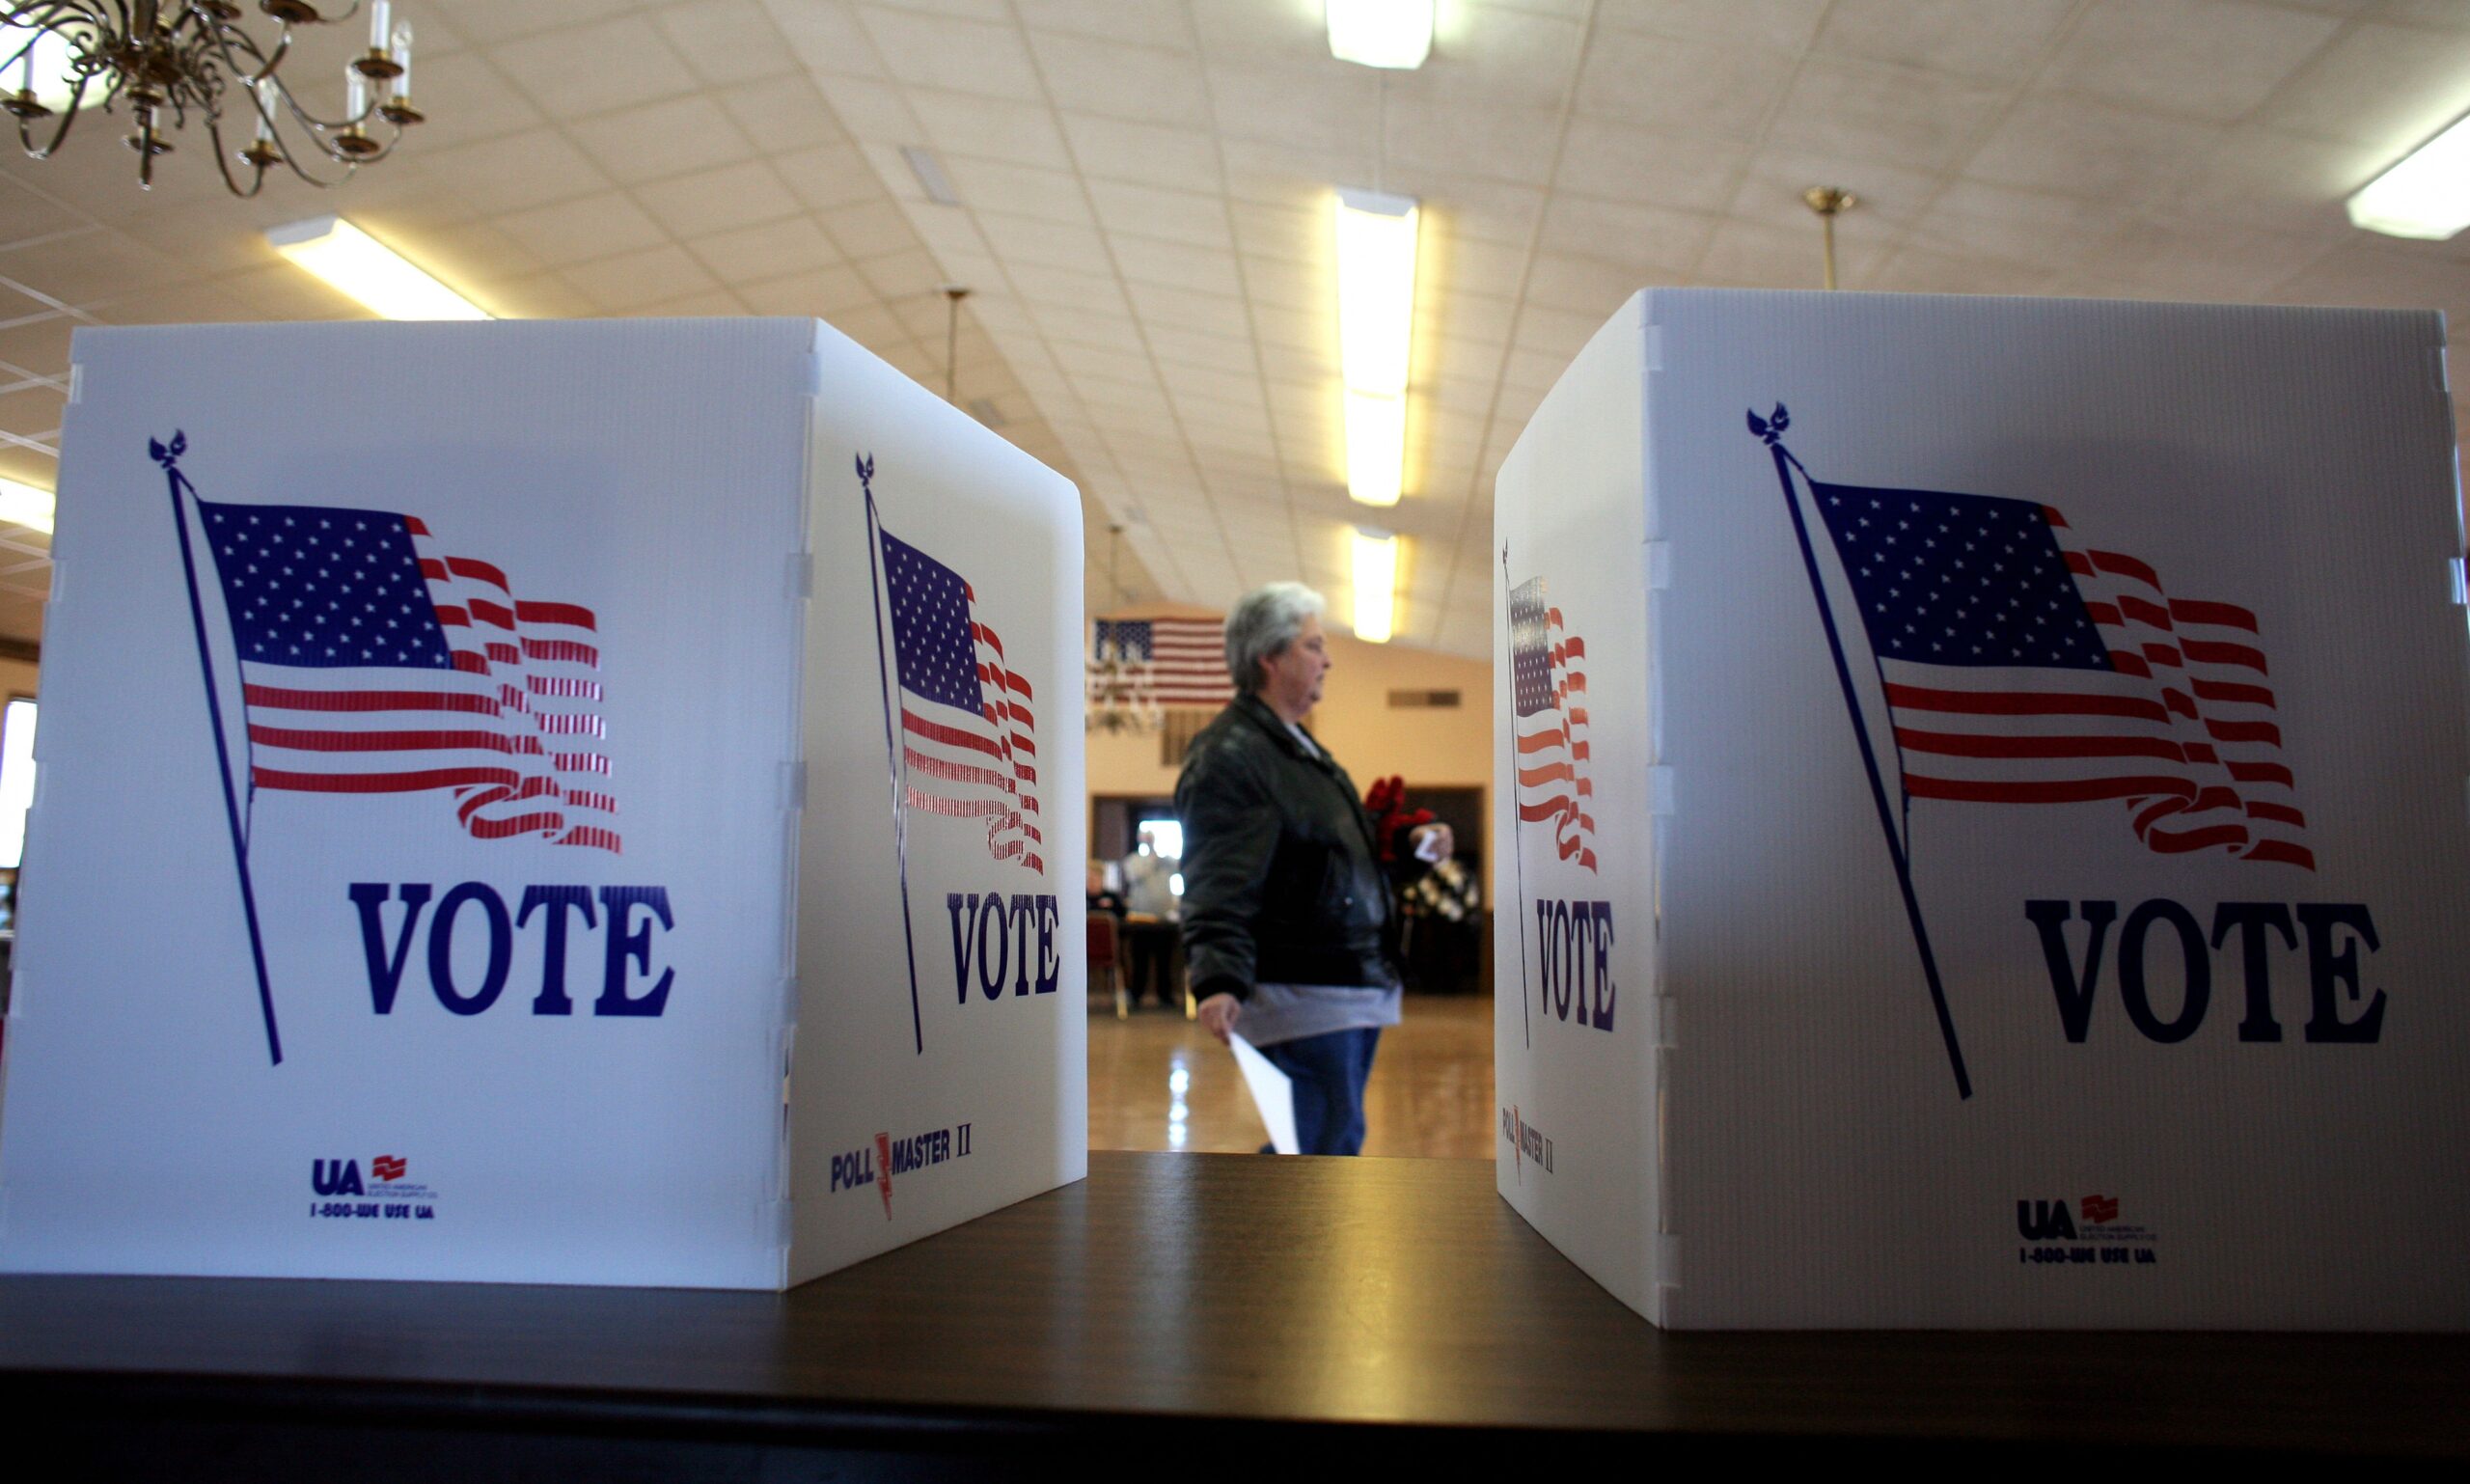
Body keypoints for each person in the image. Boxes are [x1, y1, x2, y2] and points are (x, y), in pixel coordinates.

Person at [1174, 582, 1450, 1155]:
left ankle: (1280, 1243)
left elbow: (1329, 854)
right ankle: (1263, 1245)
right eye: (1312, 645)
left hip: (1338, 980)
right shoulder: (1233, 755)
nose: (1326, 660)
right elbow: (1220, 874)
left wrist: (1405, 840)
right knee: (1320, 1151)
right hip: (1300, 987)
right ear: (1269, 658)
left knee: (1324, 1143)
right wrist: (1219, 976)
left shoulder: (1297, 749)